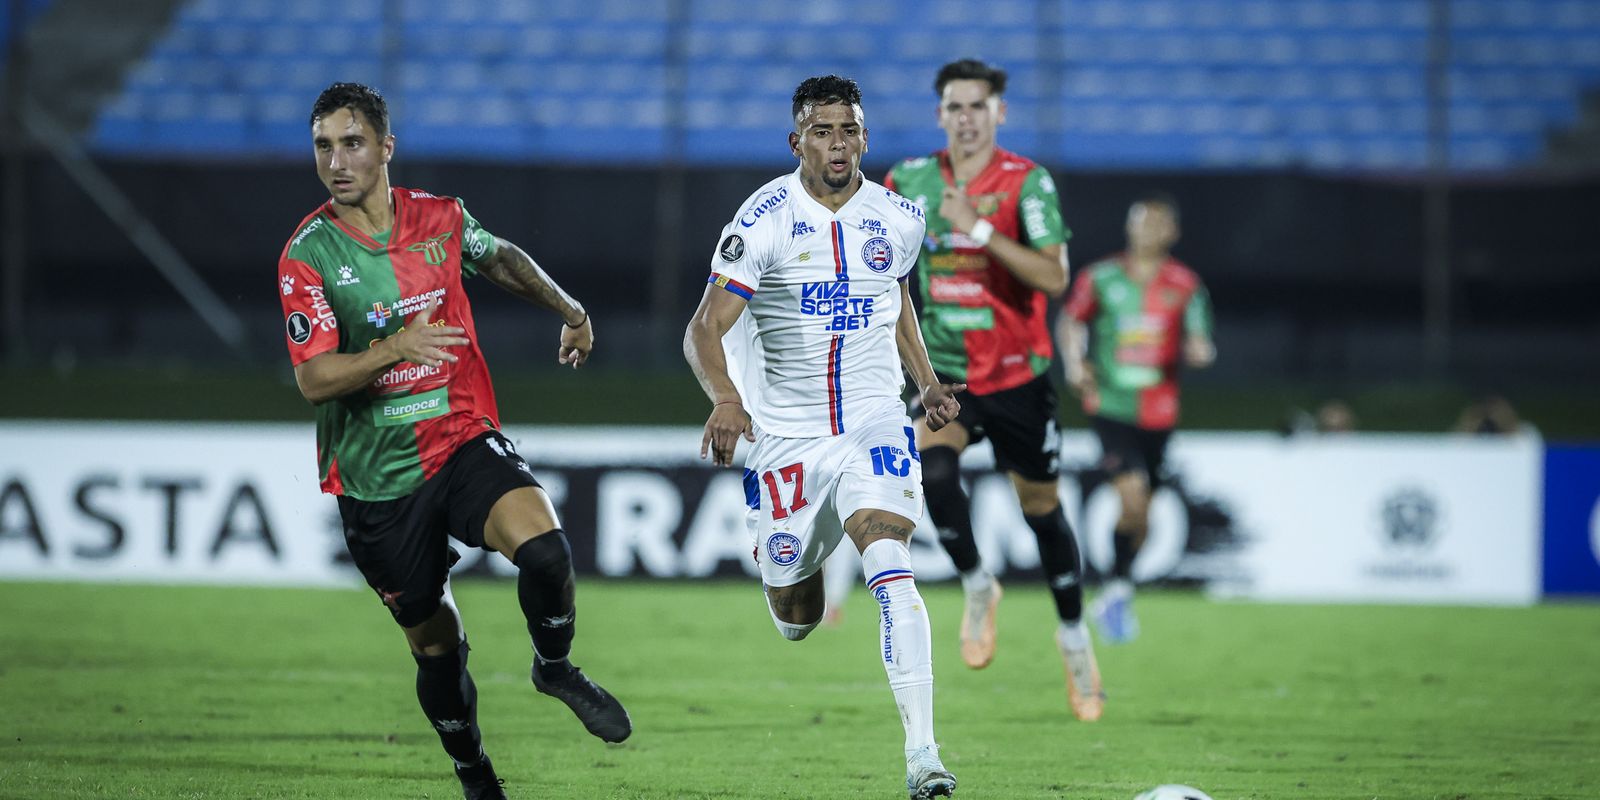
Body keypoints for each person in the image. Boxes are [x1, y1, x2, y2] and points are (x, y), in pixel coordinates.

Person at [277, 83, 630, 800]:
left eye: (351, 143)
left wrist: (570, 309)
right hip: (379, 484)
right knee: (435, 646)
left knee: (546, 550)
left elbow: (497, 258)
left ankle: (554, 666)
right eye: (323, 146)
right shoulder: (307, 255)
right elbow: (315, 380)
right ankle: (475, 775)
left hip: (460, 434)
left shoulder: (439, 218)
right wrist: (396, 345)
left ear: (384, 147)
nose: (337, 161)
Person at [684, 75, 965, 800]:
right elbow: (704, 326)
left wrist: (926, 382)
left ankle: (924, 756)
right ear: (797, 141)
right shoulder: (763, 220)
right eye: (821, 131)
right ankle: (795, 546)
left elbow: (896, 297)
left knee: (889, 559)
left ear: (864, 137)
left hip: (874, 419)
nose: (837, 145)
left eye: (848, 131)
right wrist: (724, 398)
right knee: (797, 620)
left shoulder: (899, 217)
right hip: (786, 439)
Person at [884, 58, 1103, 722]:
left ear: (999, 113)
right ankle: (979, 584)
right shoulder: (907, 181)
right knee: (931, 468)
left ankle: (1074, 638)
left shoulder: (1025, 183)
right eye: (955, 106)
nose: (967, 117)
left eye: (979, 106)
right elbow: (890, 277)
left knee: (1042, 510)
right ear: (940, 114)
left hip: (1017, 376)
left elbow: (1055, 277)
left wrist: (977, 228)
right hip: (945, 373)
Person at [1058, 192, 1215, 644]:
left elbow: (1201, 338)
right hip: (1111, 406)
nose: (1147, 230)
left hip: (1160, 411)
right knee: (1132, 498)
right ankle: (1116, 590)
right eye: (1141, 222)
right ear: (1129, 227)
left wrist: (1200, 350)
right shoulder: (1102, 278)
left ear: (1172, 233)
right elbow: (1071, 321)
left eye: (1157, 224)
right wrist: (1075, 363)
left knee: (1142, 513)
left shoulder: (1184, 285)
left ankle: (1117, 590)